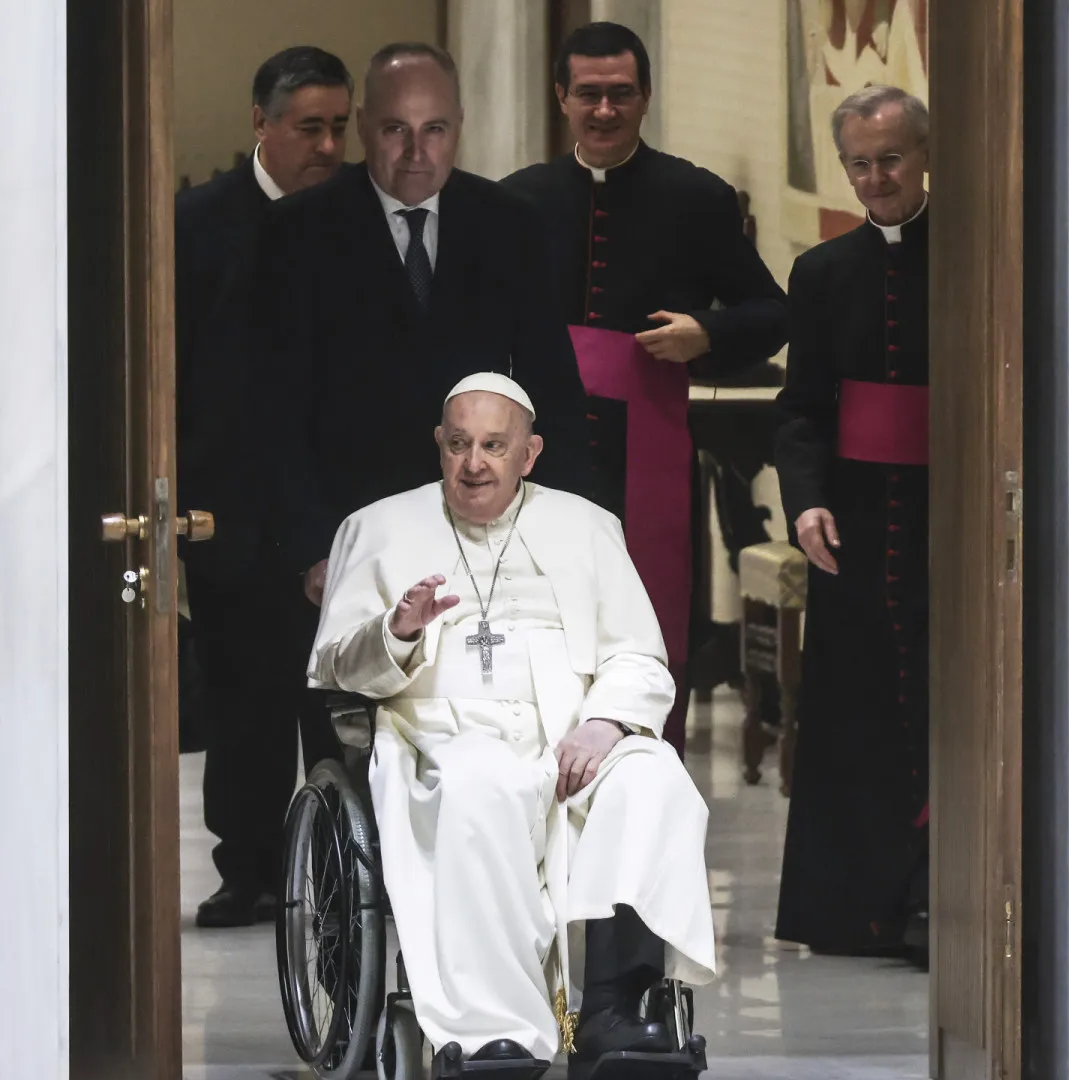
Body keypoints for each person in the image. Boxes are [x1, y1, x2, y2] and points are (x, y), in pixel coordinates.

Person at [308, 373, 715, 1070]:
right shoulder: (376, 528)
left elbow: (640, 659)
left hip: (574, 728)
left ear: (530, 454)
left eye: (495, 446)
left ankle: (616, 1011)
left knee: (651, 782)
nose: (475, 464)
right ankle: (495, 1026)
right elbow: (337, 669)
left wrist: (607, 724)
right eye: (460, 444)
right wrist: (397, 631)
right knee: (481, 786)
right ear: (439, 445)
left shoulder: (587, 526)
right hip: (439, 734)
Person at [502, 21, 788, 754]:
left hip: (647, 455)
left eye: (621, 94)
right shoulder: (515, 203)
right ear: (561, 96)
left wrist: (708, 334)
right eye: (589, 94)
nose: (605, 110)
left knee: (649, 624)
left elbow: (774, 310)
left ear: (646, 96)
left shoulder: (695, 197)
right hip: (540, 454)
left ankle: (643, 781)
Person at [264, 42, 598, 609]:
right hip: (348, 535)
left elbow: (552, 390)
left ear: (460, 126)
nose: (417, 152)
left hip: (482, 528)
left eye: (435, 129)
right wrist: (310, 549)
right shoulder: (296, 233)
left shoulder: (509, 225)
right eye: (397, 129)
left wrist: (568, 533)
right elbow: (271, 410)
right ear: (364, 126)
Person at [175, 45, 352, 928]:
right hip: (230, 504)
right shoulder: (196, 222)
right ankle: (245, 867)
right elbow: (167, 371)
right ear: (261, 123)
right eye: (308, 126)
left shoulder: (357, 218)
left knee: (336, 701)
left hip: (333, 507)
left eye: (338, 127)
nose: (327, 145)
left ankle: (337, 871)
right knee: (243, 699)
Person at [772, 85, 932, 962]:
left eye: (891, 160)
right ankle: (858, 908)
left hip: (948, 521)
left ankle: (936, 898)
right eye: (859, 165)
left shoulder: (972, 256)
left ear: (923, 153)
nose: (876, 180)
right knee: (860, 721)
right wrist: (806, 501)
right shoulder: (823, 273)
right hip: (859, 529)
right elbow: (803, 410)